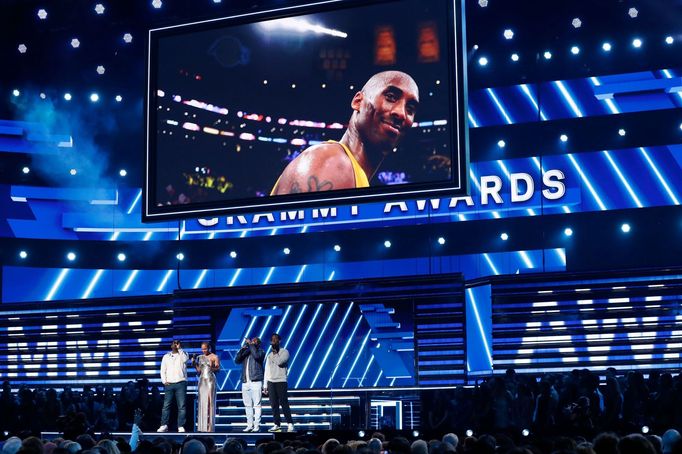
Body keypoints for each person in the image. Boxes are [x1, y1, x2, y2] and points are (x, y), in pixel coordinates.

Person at [271, 70, 419, 195]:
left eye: (410, 109)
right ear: (358, 102)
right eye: (391, 97)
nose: (401, 114)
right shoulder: (333, 163)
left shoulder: (352, 172)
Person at [263, 333, 294, 432]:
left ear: (279, 341)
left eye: (276, 339)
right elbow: (267, 370)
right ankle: (277, 424)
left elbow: (280, 362)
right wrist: (265, 385)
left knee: (284, 402)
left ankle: (290, 423)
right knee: (274, 404)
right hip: (271, 382)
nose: (274, 341)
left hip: (281, 380)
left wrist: (275, 353)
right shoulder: (269, 355)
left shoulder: (285, 352)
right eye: (272, 339)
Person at [234, 337, 265, 432]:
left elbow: (256, 356)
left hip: (256, 381)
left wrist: (250, 345)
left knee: (257, 405)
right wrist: (242, 349)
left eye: (254, 341)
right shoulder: (246, 352)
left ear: (258, 343)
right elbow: (237, 360)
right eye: (251, 341)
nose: (252, 342)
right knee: (247, 405)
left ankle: (256, 426)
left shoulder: (261, 351)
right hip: (245, 381)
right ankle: (249, 425)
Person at [157, 340, 189, 432]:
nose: (175, 345)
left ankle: (181, 426)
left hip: (181, 383)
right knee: (166, 405)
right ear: (171, 345)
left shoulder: (184, 354)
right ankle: (164, 425)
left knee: (181, 406)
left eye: (177, 343)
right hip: (169, 384)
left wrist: (180, 349)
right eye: (174, 343)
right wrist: (164, 381)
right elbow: (163, 370)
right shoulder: (166, 356)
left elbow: (185, 360)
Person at [194, 341, 220, 432]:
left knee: (210, 403)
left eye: (205, 349)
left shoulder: (214, 357)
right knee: (202, 402)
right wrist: (194, 363)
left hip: (210, 380)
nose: (203, 351)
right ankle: (202, 427)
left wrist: (210, 367)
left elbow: (218, 368)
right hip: (202, 380)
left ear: (209, 348)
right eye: (202, 349)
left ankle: (210, 427)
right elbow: (199, 371)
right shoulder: (200, 357)